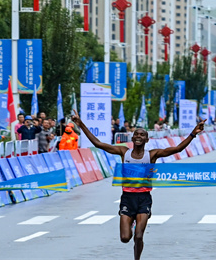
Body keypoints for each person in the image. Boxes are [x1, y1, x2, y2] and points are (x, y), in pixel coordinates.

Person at [71, 109, 205, 260]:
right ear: (132, 138)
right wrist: (80, 124)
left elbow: (177, 149)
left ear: (147, 140)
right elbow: (98, 144)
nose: (139, 136)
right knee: (125, 238)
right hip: (127, 198)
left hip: (144, 199)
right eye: (136, 134)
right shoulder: (124, 152)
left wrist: (193, 133)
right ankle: (132, 223)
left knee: (139, 236)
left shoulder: (152, 155)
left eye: (142, 135)